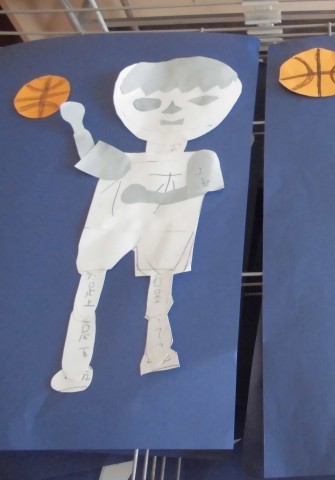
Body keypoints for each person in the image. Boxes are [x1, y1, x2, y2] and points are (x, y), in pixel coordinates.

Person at [51, 57, 242, 393]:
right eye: (150, 104)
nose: (171, 111)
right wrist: (78, 126)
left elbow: (195, 189)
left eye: (198, 101)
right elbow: (93, 158)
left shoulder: (200, 158)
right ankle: (75, 368)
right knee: (90, 286)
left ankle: (157, 353)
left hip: (168, 231)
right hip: (110, 228)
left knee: (159, 288)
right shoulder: (129, 161)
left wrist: (148, 195)